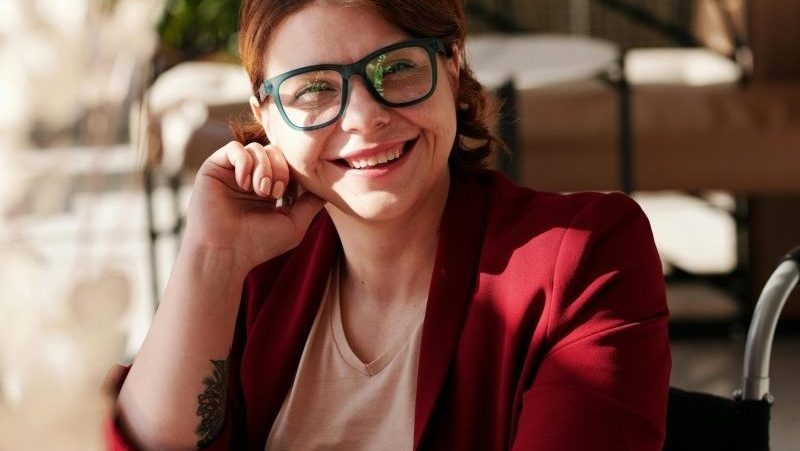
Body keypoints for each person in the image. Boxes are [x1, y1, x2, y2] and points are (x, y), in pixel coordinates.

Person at [108, 0, 671, 449]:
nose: (363, 117)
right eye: (314, 88)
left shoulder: (585, 256)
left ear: (452, 66)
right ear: (266, 116)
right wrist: (212, 258)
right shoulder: (254, 273)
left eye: (396, 67)